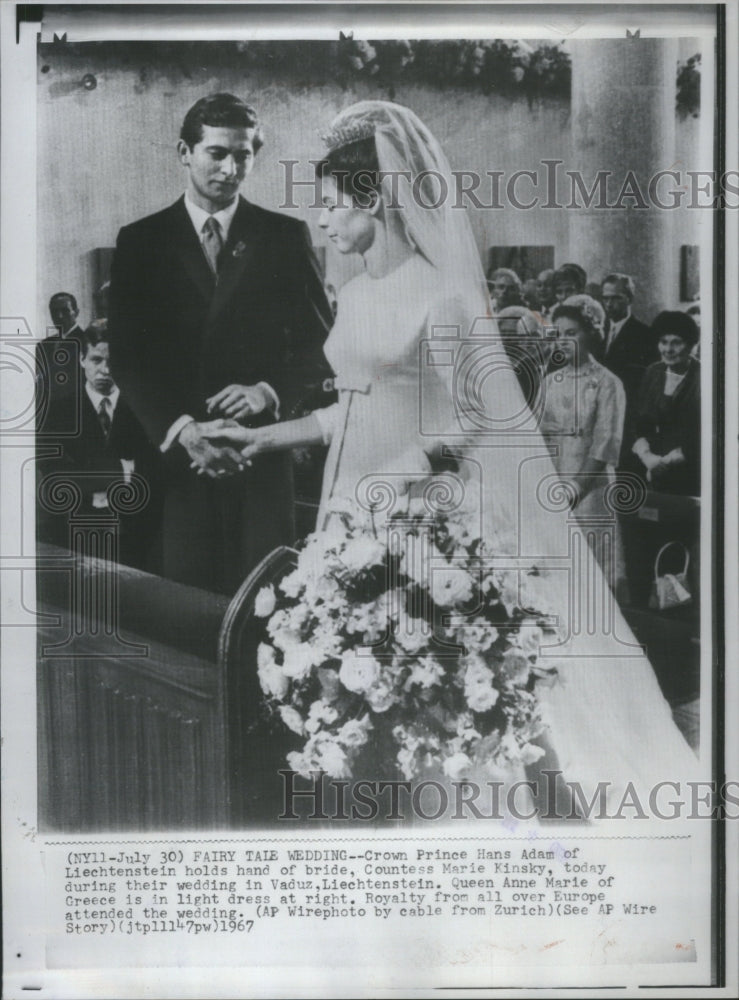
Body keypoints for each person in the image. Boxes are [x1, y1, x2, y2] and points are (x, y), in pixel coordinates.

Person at [203, 100, 697, 806]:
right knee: (364, 671)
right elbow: (350, 406)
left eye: (331, 205)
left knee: (438, 681)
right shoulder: (354, 293)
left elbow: (483, 411)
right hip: (353, 506)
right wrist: (262, 436)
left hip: (425, 509)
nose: (321, 220)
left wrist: (403, 468)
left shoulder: (443, 294)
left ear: (375, 201)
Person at [108, 93, 333, 594]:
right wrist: (184, 430)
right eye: (217, 153)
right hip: (174, 458)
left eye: (244, 154)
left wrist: (269, 390)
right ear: (184, 151)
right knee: (177, 603)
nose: (231, 168)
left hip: (258, 455)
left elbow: (321, 343)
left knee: (264, 604)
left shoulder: (284, 235)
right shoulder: (142, 241)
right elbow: (127, 355)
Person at [37, 322, 163, 570]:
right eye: (96, 360)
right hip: (76, 535)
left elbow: (155, 471)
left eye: (112, 362)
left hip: (140, 537)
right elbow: (54, 475)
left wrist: (93, 480)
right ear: (82, 359)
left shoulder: (146, 411)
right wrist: (122, 472)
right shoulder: (57, 412)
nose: (105, 370)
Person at [538, 295, 627, 595]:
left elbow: (605, 444)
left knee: (590, 572)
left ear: (591, 334)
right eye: (558, 334)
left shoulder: (608, 383)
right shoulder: (550, 381)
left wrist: (575, 488)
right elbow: (539, 436)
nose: (563, 341)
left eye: (572, 333)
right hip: (552, 482)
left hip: (590, 487)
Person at [630, 311, 701, 497]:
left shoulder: (704, 376)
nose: (668, 349)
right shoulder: (653, 372)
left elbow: (705, 435)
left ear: (692, 345)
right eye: (663, 342)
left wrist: (666, 462)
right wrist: (647, 456)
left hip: (692, 473)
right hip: (653, 470)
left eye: (676, 342)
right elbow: (640, 422)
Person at [600, 272, 657, 407]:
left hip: (627, 406)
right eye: (605, 298)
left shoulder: (645, 335)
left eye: (616, 298)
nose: (608, 304)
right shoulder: (597, 331)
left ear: (629, 299)